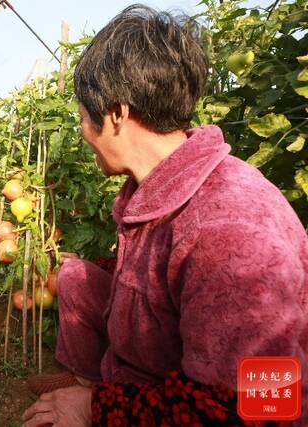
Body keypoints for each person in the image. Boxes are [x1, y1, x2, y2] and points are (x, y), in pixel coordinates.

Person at [23, 5, 308, 427]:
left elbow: (260, 409)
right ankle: (88, 383)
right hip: (156, 367)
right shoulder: (160, 187)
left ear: (116, 115)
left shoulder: (229, 231)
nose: (83, 132)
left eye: (84, 117)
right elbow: (164, 277)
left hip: (196, 402)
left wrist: (95, 408)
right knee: (76, 276)